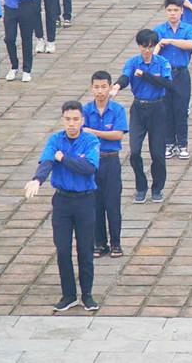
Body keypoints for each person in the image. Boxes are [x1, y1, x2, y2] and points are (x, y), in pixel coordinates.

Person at [22, 100, 101, 312]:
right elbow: (47, 162)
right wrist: (37, 180)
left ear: (83, 120)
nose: (71, 124)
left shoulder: (90, 140)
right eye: (67, 119)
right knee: (63, 249)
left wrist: (64, 158)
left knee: (85, 250)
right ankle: (69, 295)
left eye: (75, 119)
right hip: (63, 202)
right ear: (62, 120)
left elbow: (88, 167)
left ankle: (87, 294)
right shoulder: (55, 140)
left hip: (84, 201)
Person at [113, 28, 173, 203]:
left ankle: (157, 188)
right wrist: (117, 86)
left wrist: (145, 75)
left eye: (150, 47)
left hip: (157, 109)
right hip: (139, 109)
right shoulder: (133, 62)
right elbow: (125, 77)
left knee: (158, 153)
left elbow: (166, 83)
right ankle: (141, 186)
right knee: (134, 151)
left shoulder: (162, 63)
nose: (147, 50)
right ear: (139, 46)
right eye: (144, 46)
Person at [80, 70, 127, 258]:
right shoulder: (85, 110)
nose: (100, 91)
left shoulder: (117, 110)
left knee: (113, 204)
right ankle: (99, 243)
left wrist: (94, 132)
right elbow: (80, 134)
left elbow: (118, 135)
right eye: (96, 87)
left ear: (110, 88)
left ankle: (116, 243)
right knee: (95, 204)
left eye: (103, 87)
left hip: (111, 160)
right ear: (91, 88)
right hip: (92, 162)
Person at [154, 0, 192, 159]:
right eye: (169, 10)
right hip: (165, 74)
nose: (172, 13)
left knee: (181, 110)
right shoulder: (158, 30)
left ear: (181, 11)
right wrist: (160, 44)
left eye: (175, 10)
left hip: (181, 73)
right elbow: (152, 54)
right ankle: (169, 143)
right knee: (166, 110)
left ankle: (182, 144)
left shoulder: (188, 29)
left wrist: (171, 41)